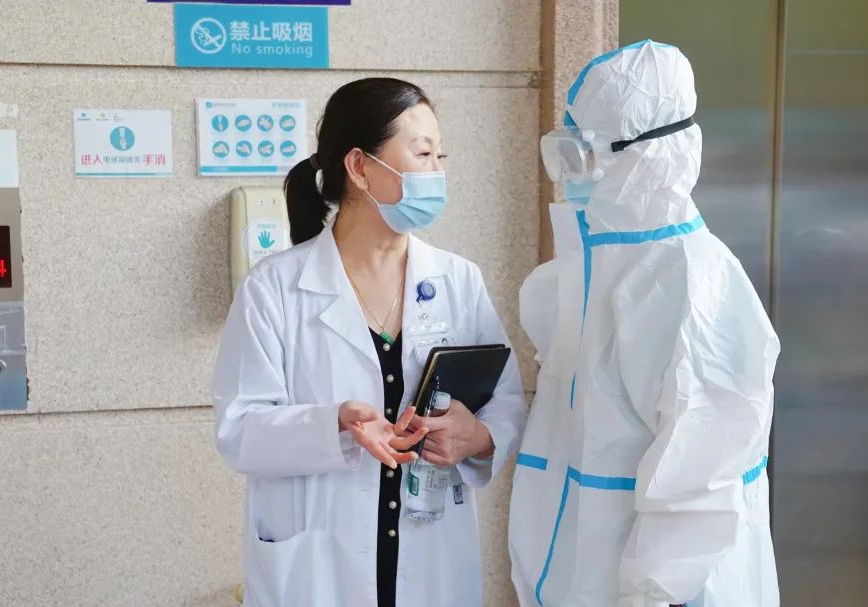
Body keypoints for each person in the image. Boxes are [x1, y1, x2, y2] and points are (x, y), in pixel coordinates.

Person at [211, 77, 526, 607]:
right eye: (422, 154)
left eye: (440, 155)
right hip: (317, 568)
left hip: (433, 558)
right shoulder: (276, 288)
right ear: (359, 167)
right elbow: (238, 429)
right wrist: (334, 423)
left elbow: (507, 401)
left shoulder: (458, 280)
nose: (437, 172)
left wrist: (476, 436)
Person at [508, 41, 780, 607]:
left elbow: (700, 472)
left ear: (645, 154)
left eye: (585, 151)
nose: (572, 173)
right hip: (584, 576)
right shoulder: (590, 271)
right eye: (566, 150)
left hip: (667, 593)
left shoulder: (694, 280)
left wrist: (652, 594)